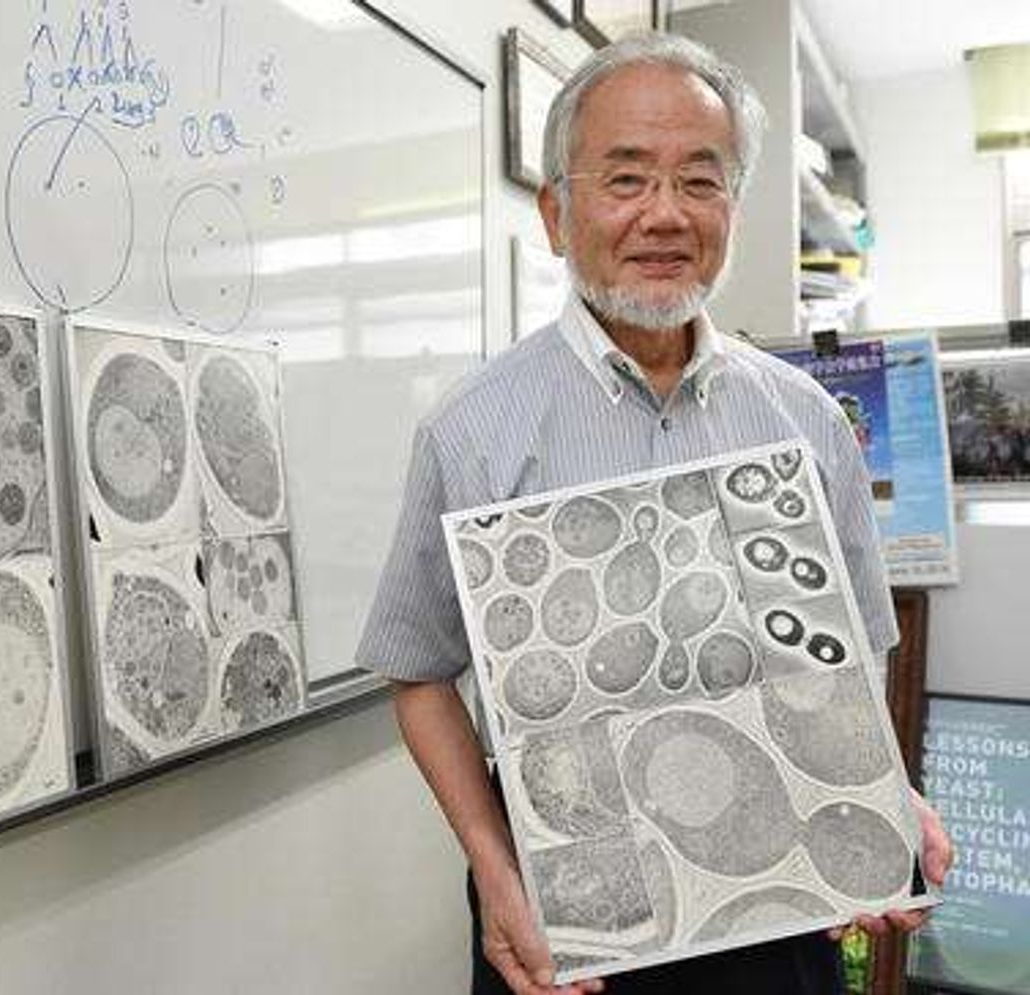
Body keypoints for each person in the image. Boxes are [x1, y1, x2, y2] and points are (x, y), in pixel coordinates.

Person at [355, 32, 953, 995]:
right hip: (570, 916)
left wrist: (884, 799)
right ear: (557, 212)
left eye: (700, 181)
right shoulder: (472, 432)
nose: (665, 214)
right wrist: (493, 866)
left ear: (734, 209)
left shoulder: (806, 421)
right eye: (626, 179)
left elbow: (857, 652)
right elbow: (419, 673)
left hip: (781, 906)